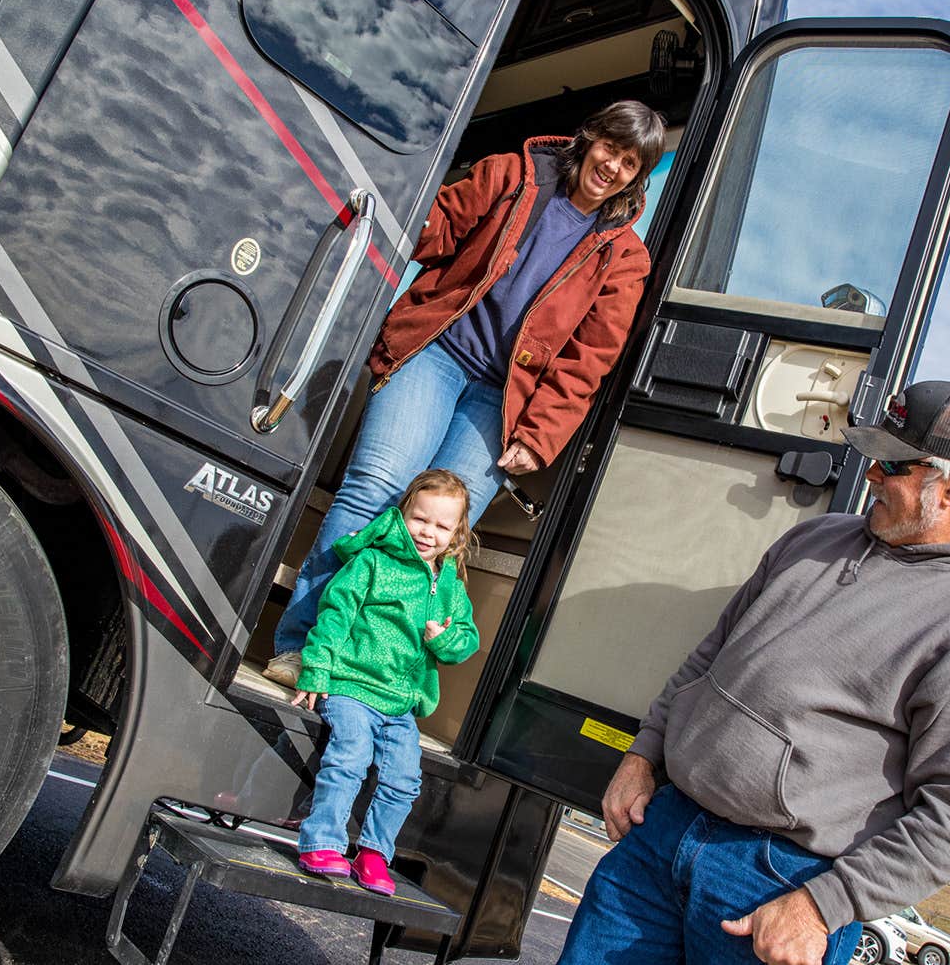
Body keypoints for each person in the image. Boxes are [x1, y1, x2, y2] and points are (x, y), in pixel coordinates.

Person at [558, 381, 950, 965]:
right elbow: (711, 656)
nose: (870, 476)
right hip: (663, 829)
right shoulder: (814, 537)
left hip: (779, 886)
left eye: (891, 463)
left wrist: (822, 906)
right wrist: (642, 755)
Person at [265, 100, 667, 687]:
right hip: (436, 353)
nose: (612, 167)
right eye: (611, 147)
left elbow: (589, 360)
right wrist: (388, 210)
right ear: (591, 137)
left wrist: (538, 436)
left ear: (638, 176)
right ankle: (301, 646)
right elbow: (438, 223)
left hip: (502, 399)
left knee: (443, 535)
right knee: (375, 489)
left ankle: (369, 675)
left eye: (631, 164)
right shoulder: (514, 175)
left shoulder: (625, 259)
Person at [289, 469, 480, 896]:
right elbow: (334, 617)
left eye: (441, 526)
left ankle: (374, 854)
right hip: (351, 686)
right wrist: (316, 670)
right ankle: (321, 842)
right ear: (402, 515)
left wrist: (445, 638)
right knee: (350, 756)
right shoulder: (372, 562)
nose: (428, 532)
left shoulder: (450, 585)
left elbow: (467, 639)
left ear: (457, 534)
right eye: (420, 519)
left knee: (404, 779)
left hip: (401, 704)